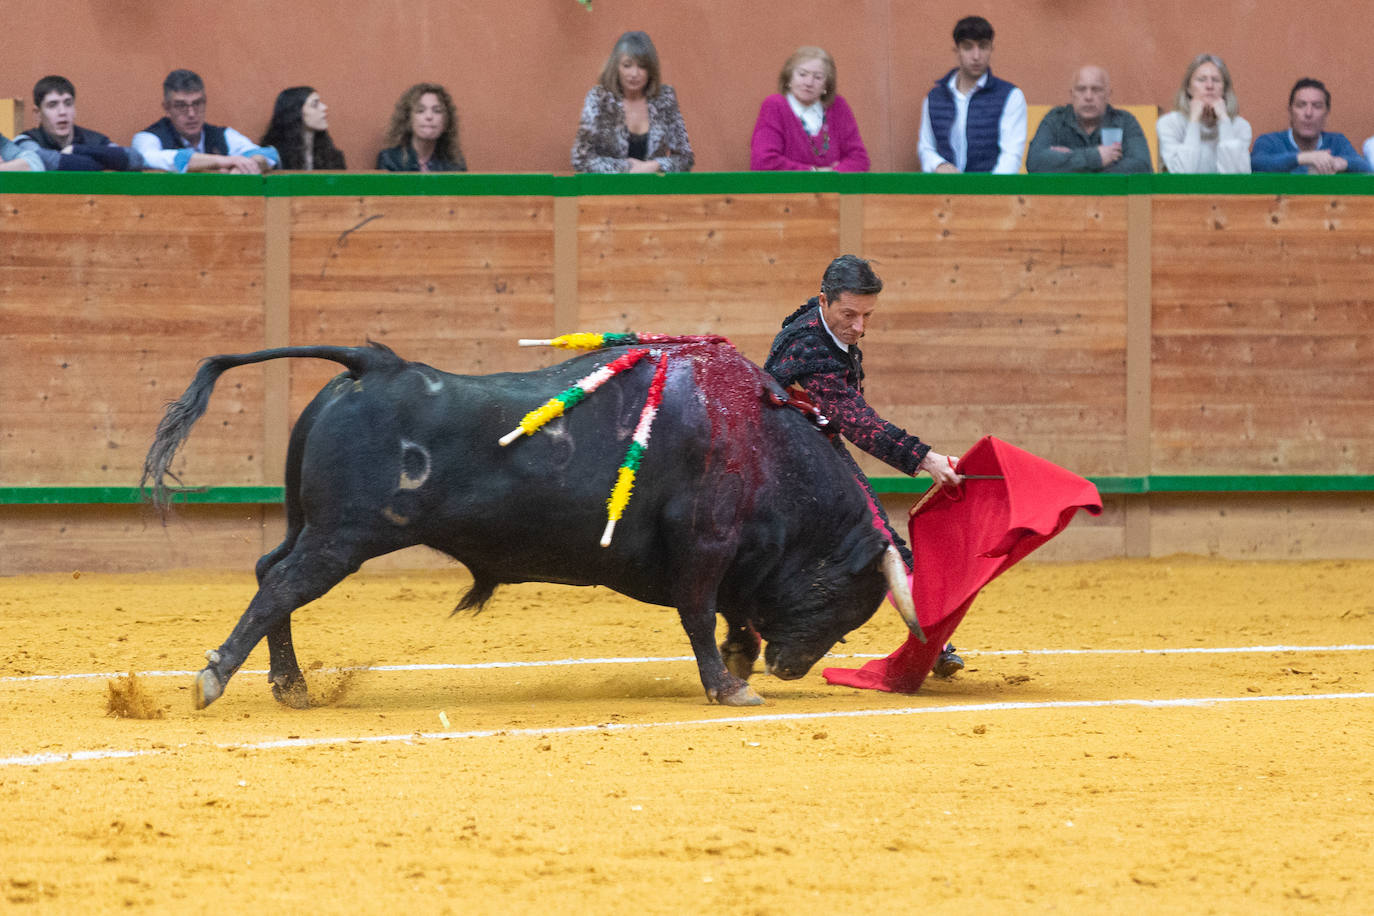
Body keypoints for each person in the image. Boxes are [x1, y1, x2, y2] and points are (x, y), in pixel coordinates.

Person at [763, 255, 966, 678]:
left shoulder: (817, 325)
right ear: (824, 300)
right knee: (879, 537)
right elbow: (856, 421)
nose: (859, 328)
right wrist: (927, 459)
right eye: (849, 314)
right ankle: (932, 639)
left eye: (867, 315)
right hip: (790, 453)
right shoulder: (811, 345)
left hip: (798, 447)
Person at [571, 30, 694, 174]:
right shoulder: (599, 98)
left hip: (653, 191)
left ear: (651, 69)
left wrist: (654, 166)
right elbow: (581, 158)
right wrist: (625, 168)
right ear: (616, 67)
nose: (634, 74)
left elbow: (685, 158)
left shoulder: (665, 98)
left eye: (642, 66)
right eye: (627, 65)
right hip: (607, 191)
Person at [918, 15, 1027, 174]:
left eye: (983, 47)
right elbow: (926, 147)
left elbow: (1011, 156)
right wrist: (938, 165)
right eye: (968, 47)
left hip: (992, 192)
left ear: (991, 50)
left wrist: (989, 192)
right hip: (945, 191)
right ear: (957, 51)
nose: (976, 56)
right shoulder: (935, 97)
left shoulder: (1010, 96)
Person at [132, 69, 279, 174]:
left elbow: (269, 154)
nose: (191, 113)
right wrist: (223, 161)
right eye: (181, 106)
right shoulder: (148, 137)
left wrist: (246, 166)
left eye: (197, 103)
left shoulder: (223, 135)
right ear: (167, 108)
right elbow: (148, 158)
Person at [750, 45, 869, 172]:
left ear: (826, 84)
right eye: (802, 74)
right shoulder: (775, 106)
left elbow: (860, 159)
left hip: (833, 190)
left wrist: (833, 174)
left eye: (818, 77)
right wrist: (814, 172)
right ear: (789, 77)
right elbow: (764, 161)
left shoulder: (838, 106)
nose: (809, 83)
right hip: (786, 191)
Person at [1026, 65, 1151, 173]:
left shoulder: (1124, 122)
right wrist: (1096, 158)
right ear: (1072, 94)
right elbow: (1035, 163)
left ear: (1108, 94)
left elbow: (1142, 167)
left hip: (1111, 199)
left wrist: (1069, 162)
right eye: (1081, 89)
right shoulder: (1055, 120)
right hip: (1062, 200)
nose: (1088, 96)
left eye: (1096, 90)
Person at [15, 75, 144, 171]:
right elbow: (44, 160)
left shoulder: (94, 139)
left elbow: (135, 158)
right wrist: (103, 162)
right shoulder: (25, 140)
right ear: (37, 113)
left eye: (68, 104)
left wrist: (76, 150)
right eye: (52, 105)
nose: (62, 112)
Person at [1155, 54, 1252, 174]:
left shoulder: (1240, 126)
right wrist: (1194, 120)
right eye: (1201, 80)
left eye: (1216, 80)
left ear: (1224, 90)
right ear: (1188, 89)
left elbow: (1235, 176)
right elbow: (1183, 174)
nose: (1209, 86)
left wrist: (1224, 120)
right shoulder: (1169, 124)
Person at [1251, 78, 1370, 174]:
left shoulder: (1336, 141)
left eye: (1317, 106)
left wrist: (1343, 163)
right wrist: (1304, 158)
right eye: (1301, 105)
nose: (1308, 113)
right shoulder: (1270, 141)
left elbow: (1365, 167)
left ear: (1326, 114)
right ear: (1290, 112)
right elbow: (1255, 164)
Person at [376, 82, 466, 172]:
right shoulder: (390, 160)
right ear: (408, 119)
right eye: (420, 110)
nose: (429, 116)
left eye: (437, 111)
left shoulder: (455, 163)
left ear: (446, 121)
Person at [261, 86, 346, 171]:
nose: (324, 107)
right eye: (315, 104)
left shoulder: (332, 156)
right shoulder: (274, 157)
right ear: (295, 112)